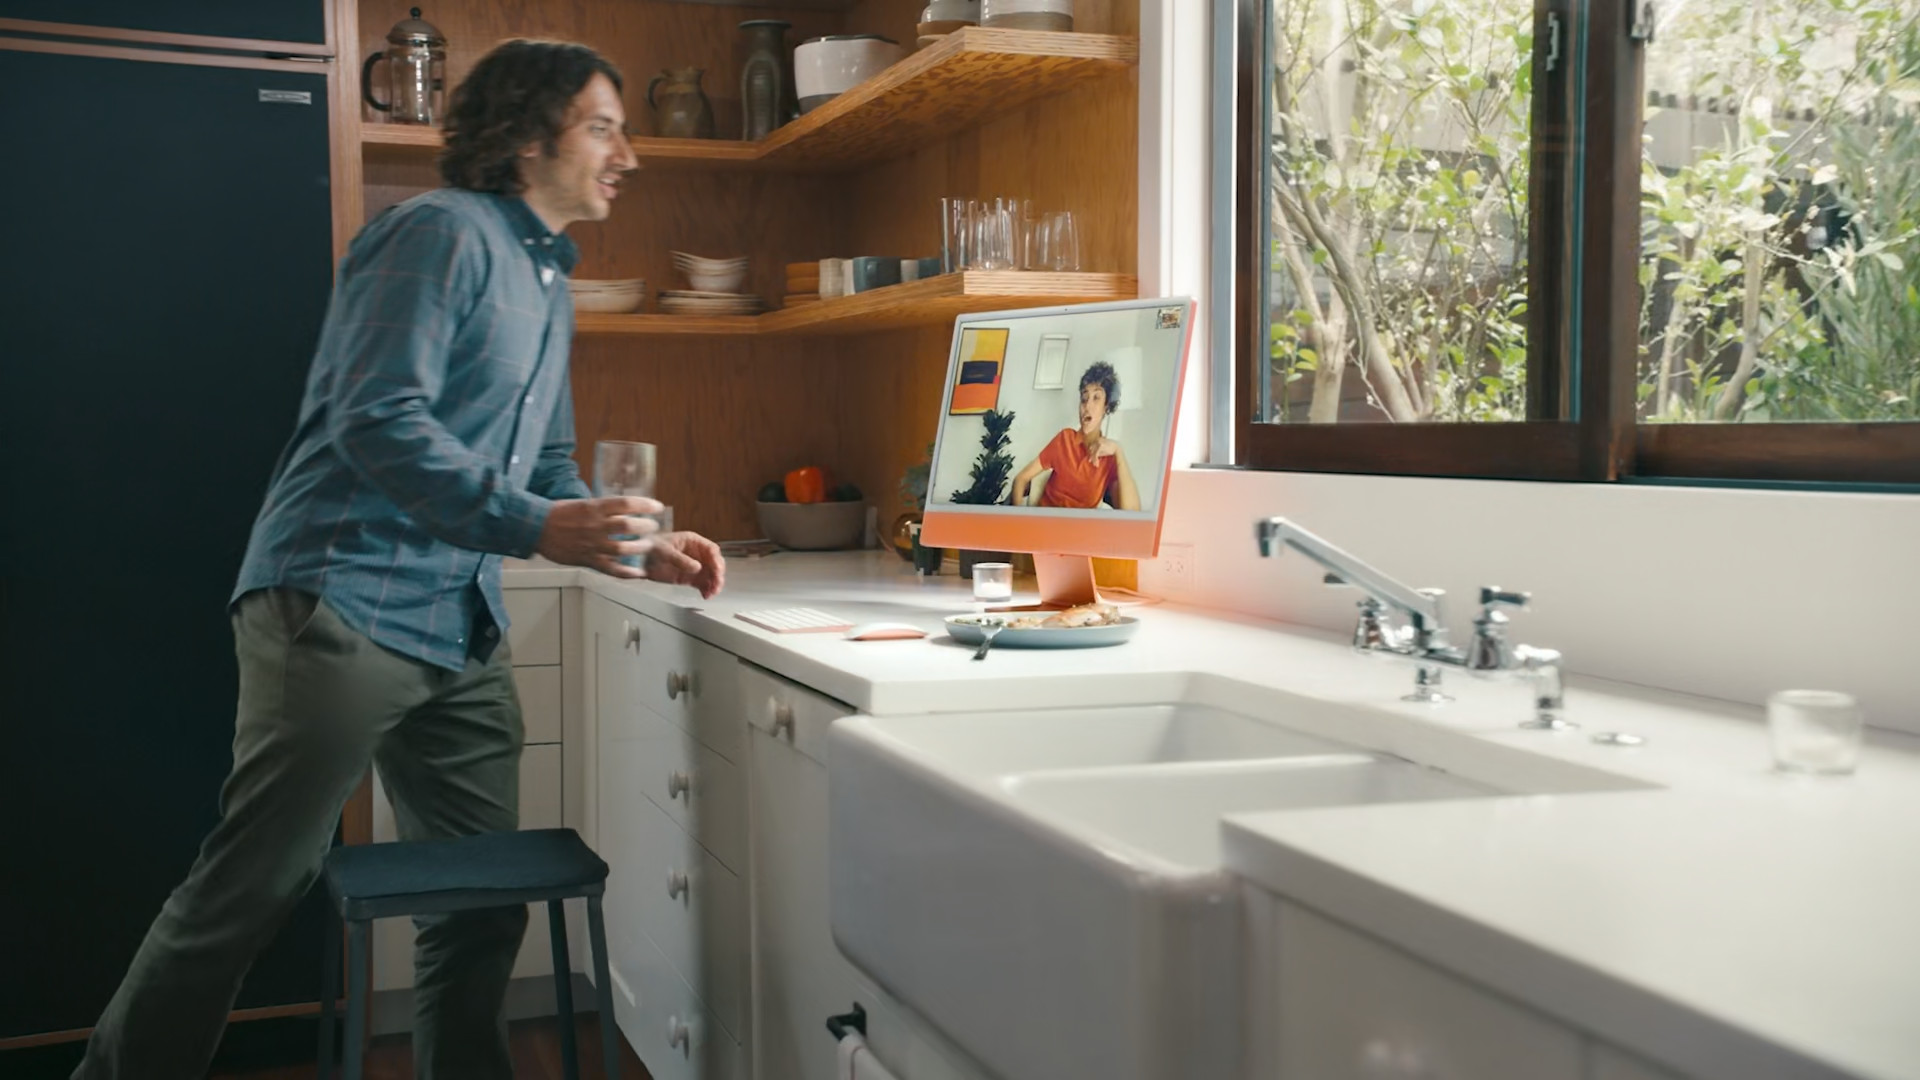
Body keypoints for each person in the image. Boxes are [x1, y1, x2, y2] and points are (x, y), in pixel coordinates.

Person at [70, 40, 724, 1080]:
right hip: (342, 599)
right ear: (525, 137)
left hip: (456, 620)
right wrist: (540, 528)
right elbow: (378, 419)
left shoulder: (547, 281)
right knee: (252, 889)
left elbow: (549, 463)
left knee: (480, 899)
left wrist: (632, 542)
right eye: (603, 126)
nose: (628, 155)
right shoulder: (435, 234)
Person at [1010, 361, 1141, 510]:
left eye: (1096, 397)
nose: (1087, 406)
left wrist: (1119, 451)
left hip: (1077, 531)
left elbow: (1131, 513)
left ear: (1106, 407)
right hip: (1045, 525)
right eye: (1084, 399)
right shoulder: (1064, 439)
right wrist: (1019, 519)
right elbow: (1020, 479)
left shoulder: (1110, 459)